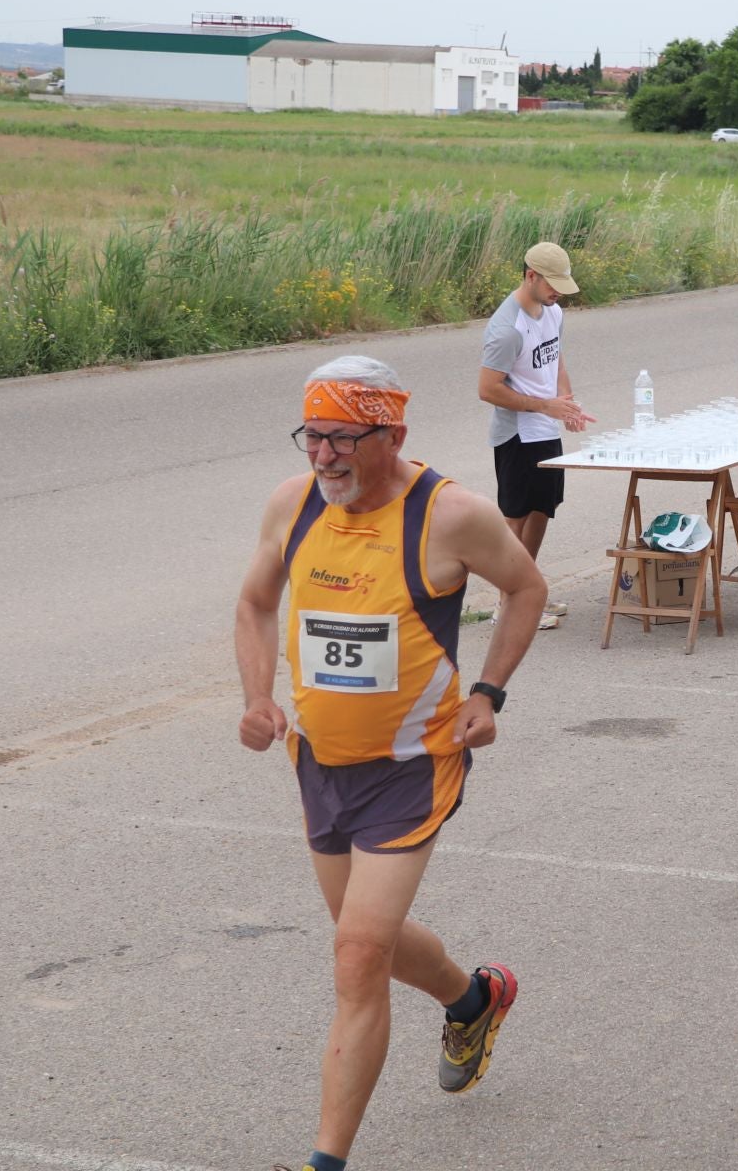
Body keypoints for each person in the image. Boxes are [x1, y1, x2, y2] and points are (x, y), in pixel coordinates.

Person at [236, 356, 549, 1171]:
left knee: (357, 956)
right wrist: (256, 696)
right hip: (320, 762)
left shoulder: (450, 515)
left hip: (413, 765)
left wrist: (489, 693)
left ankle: (325, 1161)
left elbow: (526, 588)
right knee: (361, 936)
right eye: (314, 436)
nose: (324, 456)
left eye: (343, 439)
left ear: (393, 434)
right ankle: (474, 998)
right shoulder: (292, 505)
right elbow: (255, 602)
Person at [478, 242, 597, 631]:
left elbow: (555, 357)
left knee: (543, 508)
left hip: (544, 428)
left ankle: (525, 590)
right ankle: (507, 603)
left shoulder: (553, 312)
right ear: (531, 275)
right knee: (515, 517)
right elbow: (488, 389)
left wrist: (567, 404)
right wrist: (544, 407)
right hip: (516, 435)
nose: (558, 292)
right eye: (552, 284)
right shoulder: (505, 329)